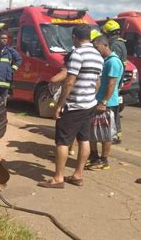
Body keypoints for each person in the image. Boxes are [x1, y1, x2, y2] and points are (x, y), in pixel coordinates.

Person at [37, 24, 103, 188]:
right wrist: (90, 97)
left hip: (74, 105)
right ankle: (77, 175)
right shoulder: (98, 56)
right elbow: (97, 83)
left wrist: (60, 105)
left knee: (62, 141)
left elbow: (69, 82)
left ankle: (58, 178)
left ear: (74, 37)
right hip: (89, 104)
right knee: (84, 139)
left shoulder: (77, 54)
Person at [86, 36, 123, 170]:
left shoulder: (113, 62)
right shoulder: (105, 61)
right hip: (98, 100)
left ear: (105, 45)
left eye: (97, 48)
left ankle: (104, 160)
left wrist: (104, 101)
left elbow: (112, 83)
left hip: (106, 103)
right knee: (93, 130)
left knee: (105, 133)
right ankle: (94, 156)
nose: (96, 51)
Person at [102, 20, 126, 144]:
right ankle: (116, 133)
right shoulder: (121, 43)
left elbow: (113, 65)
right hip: (118, 81)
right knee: (114, 111)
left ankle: (114, 135)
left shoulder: (115, 45)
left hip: (114, 81)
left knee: (112, 112)